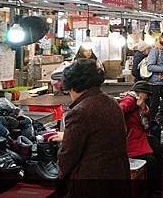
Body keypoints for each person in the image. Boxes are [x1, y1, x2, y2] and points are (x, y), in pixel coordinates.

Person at [55, 59, 130, 198]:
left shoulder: (80, 111)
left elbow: (68, 155)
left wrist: (59, 177)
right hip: (118, 177)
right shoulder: (112, 102)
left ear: (74, 86)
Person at [119, 81, 163, 196]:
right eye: (146, 93)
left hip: (141, 138)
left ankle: (159, 185)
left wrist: (142, 108)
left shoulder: (141, 103)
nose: (148, 96)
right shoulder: (130, 99)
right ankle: (154, 190)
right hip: (132, 141)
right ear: (140, 92)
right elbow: (119, 110)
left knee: (162, 152)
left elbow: (146, 124)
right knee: (152, 161)